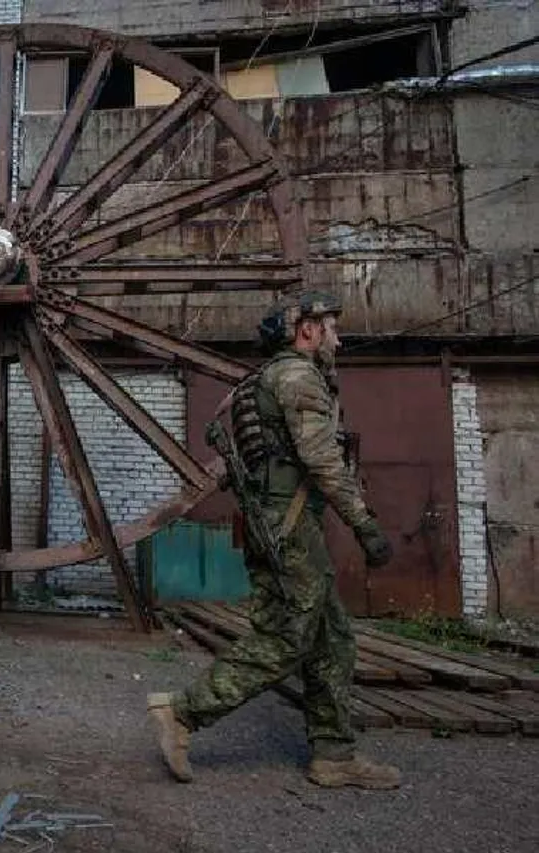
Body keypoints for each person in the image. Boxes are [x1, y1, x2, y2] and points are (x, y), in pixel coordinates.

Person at [148, 291, 401, 790]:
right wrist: (365, 525)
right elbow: (322, 460)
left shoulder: (256, 382)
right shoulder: (298, 377)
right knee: (289, 636)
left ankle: (334, 754)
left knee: (332, 639)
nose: (338, 338)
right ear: (306, 329)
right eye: (331, 327)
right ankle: (184, 712)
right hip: (291, 528)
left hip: (276, 524)